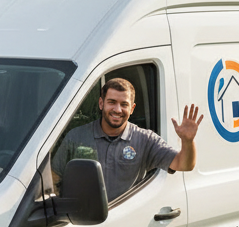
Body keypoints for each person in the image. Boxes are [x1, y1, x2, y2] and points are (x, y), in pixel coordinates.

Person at [51, 77, 203, 201]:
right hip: (82, 225)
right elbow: (54, 176)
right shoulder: (76, 136)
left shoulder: (145, 139)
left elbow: (184, 164)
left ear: (132, 109)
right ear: (101, 103)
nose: (117, 109)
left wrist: (187, 141)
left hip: (125, 223)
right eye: (112, 102)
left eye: (124, 104)